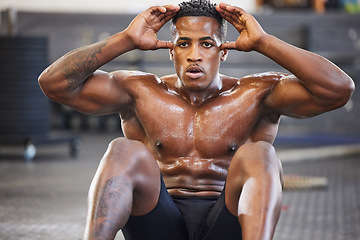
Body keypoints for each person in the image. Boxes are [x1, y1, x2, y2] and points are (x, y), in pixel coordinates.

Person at [38, 0, 355, 239]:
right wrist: (126, 38)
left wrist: (263, 42)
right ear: (171, 51)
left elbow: (338, 90)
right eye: (183, 43)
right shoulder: (141, 91)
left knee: (260, 154)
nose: (194, 55)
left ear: (224, 51)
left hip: (227, 223)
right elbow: (53, 84)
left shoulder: (256, 93)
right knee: (123, 149)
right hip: (157, 223)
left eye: (206, 44)